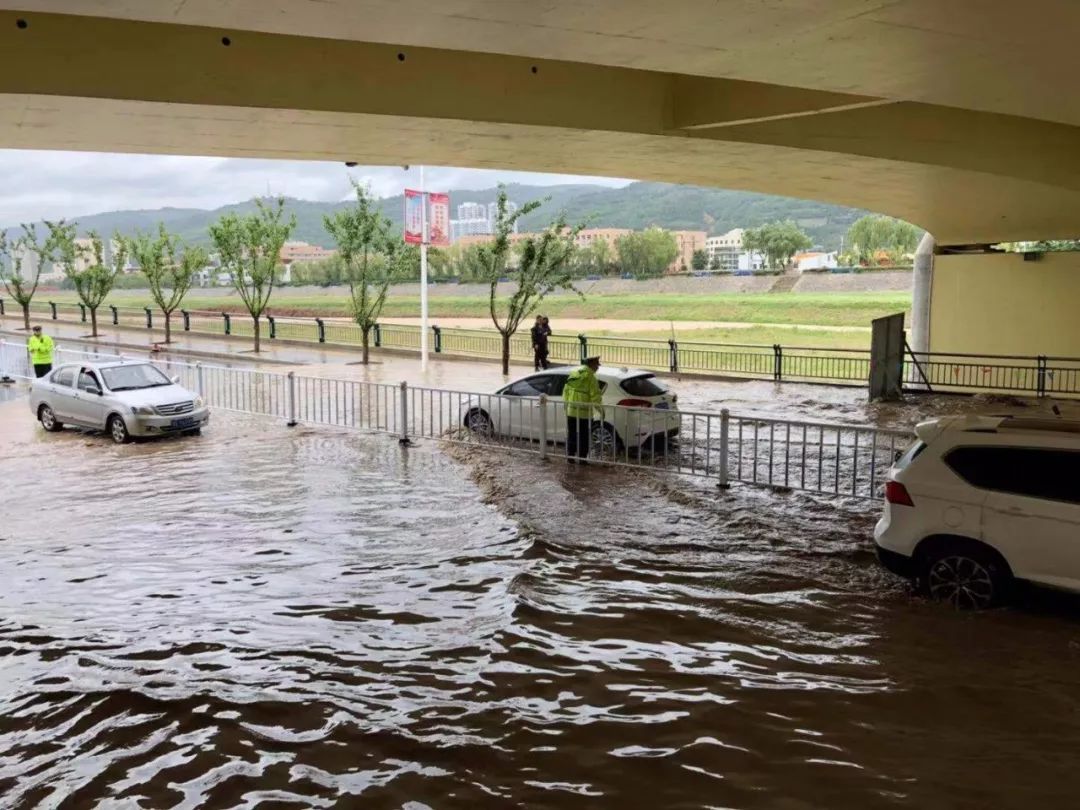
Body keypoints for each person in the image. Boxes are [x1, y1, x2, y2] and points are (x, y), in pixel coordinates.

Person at [563, 355, 603, 464]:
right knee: (584, 438)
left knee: (572, 435)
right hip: (584, 415)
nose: (598, 368)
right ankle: (582, 460)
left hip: (571, 412)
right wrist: (601, 411)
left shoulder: (574, 373)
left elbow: (566, 390)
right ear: (591, 365)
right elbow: (595, 397)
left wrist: (566, 405)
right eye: (597, 365)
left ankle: (570, 458)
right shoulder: (591, 377)